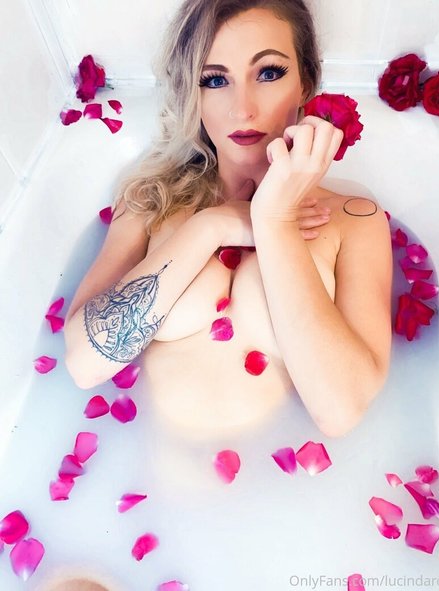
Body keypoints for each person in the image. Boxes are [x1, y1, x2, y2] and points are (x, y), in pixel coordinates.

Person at [55, 1, 393, 589]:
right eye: (215, 79)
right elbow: (85, 363)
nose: (243, 108)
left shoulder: (355, 220)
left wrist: (274, 221)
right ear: (193, 90)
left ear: (307, 80)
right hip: (138, 512)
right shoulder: (151, 201)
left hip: (287, 520)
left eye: (269, 72)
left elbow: (340, 409)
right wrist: (213, 226)